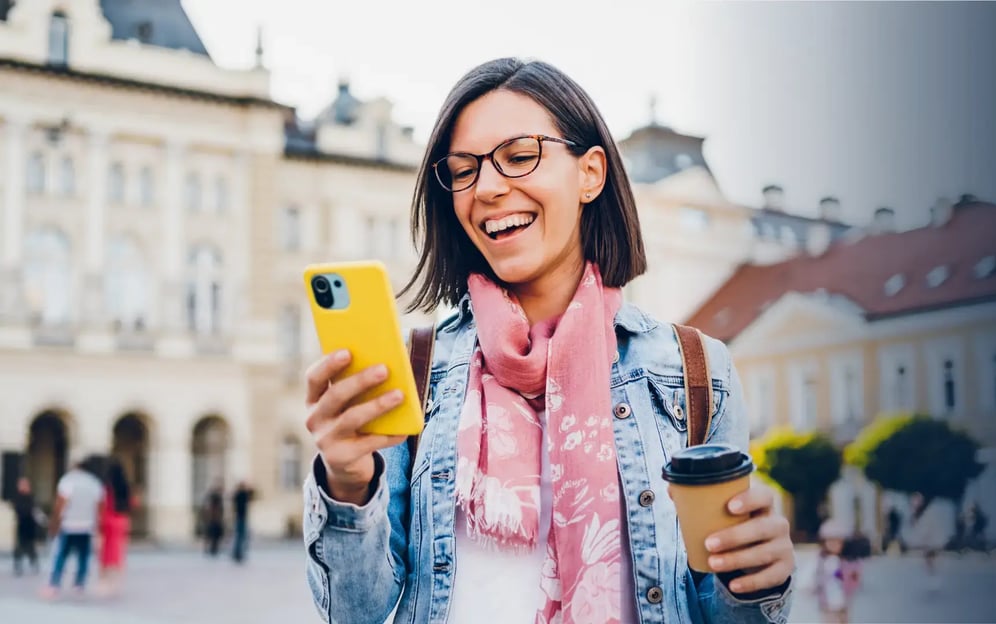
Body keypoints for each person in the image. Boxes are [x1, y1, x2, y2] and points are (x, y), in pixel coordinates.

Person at [301, 57, 796, 624]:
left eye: (518, 156)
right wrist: (347, 482)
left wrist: (758, 581)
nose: (486, 186)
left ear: (590, 173)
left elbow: (728, 614)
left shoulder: (694, 372)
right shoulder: (417, 369)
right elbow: (353, 610)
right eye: (464, 170)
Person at [42, 456, 105, 599]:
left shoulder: (68, 481)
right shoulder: (94, 482)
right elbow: (99, 505)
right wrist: (97, 524)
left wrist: (55, 523)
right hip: (87, 524)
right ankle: (79, 583)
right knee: (83, 556)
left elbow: (60, 503)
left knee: (62, 555)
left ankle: (55, 583)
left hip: (69, 524)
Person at [809, 519, 862, 624]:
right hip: (828, 605)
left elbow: (854, 577)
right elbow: (811, 576)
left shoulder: (845, 562)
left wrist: (853, 577)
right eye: (830, 541)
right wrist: (814, 586)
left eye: (838, 542)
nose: (834, 545)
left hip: (842, 603)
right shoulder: (821, 561)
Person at [96, 459, 132, 596]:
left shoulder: (108, 487)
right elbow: (130, 504)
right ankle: (116, 577)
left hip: (109, 518)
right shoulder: (125, 486)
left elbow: (104, 503)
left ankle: (104, 578)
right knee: (118, 547)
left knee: (106, 548)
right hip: (122, 520)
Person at [904, 492, 949, 593]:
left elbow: (926, 530)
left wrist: (917, 542)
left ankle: (934, 581)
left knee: (930, 562)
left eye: (916, 501)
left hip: (932, 542)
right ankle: (933, 580)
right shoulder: (919, 514)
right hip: (929, 543)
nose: (914, 504)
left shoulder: (926, 513)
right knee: (929, 562)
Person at [10, 477, 42, 576]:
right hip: (21, 524)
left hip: (30, 525)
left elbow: (34, 509)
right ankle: (18, 565)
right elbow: (17, 509)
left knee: (31, 546)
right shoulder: (17, 497)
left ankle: (34, 562)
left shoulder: (31, 497)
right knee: (19, 546)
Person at [231, 480, 255, 564]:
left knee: (239, 536)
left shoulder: (238, 494)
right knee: (241, 537)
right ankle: (238, 553)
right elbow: (252, 495)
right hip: (241, 518)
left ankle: (237, 553)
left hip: (240, 517)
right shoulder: (242, 495)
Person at [202, 483, 225, 557]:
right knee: (212, 535)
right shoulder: (214, 498)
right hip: (214, 520)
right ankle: (211, 549)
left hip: (214, 520)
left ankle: (212, 549)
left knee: (214, 536)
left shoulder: (215, 498)